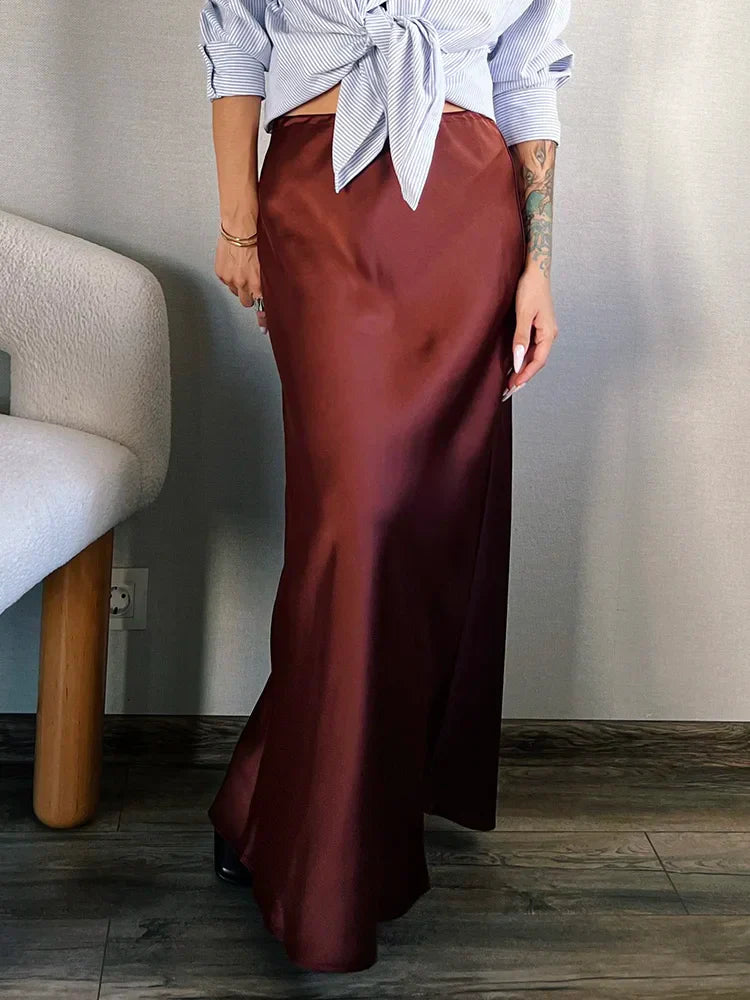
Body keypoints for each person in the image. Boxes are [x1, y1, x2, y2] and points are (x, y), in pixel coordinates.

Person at [198, 0, 574, 974]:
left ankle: (271, 799)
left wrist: (537, 264)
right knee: (351, 526)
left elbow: (527, 73)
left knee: (413, 536)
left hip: (466, 217)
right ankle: (316, 862)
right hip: (318, 200)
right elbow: (235, 33)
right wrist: (239, 223)